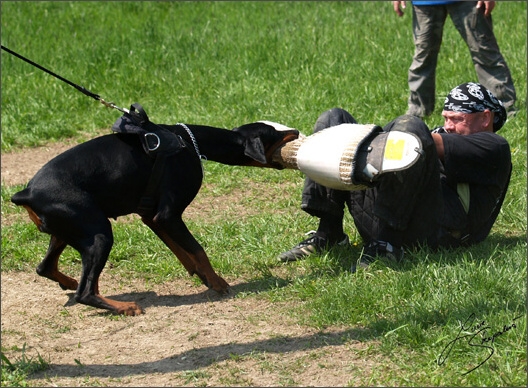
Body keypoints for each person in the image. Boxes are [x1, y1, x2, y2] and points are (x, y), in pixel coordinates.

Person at [279, 82, 511, 271]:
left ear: (485, 118)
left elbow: (418, 141)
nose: (448, 126)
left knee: (411, 129)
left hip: (440, 234)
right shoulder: (448, 133)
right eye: (445, 118)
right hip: (399, 219)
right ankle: (329, 233)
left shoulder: (494, 147)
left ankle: (386, 245)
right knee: (333, 120)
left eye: (457, 119)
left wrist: (368, 144)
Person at [393, 1, 517, 118]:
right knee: (423, 58)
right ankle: (418, 111)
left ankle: (502, 107)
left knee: (484, 53)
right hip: (424, 3)